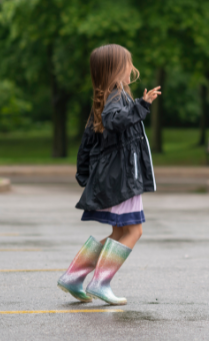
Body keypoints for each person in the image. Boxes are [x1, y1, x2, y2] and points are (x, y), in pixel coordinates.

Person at [57, 44, 161, 305]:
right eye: (128, 65)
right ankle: (101, 283)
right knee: (134, 231)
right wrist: (142, 105)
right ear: (116, 70)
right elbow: (115, 121)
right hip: (123, 178)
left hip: (116, 178)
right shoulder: (117, 98)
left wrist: (84, 172)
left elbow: (88, 142)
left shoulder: (107, 97)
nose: (132, 69)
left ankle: (74, 276)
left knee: (119, 233)